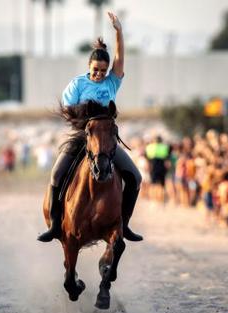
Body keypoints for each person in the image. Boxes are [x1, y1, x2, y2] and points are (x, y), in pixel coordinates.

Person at [37, 12, 143, 243]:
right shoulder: (77, 84)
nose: (99, 74)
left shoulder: (112, 81)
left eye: (103, 71)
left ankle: (124, 224)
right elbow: (69, 110)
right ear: (89, 65)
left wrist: (119, 32)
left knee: (135, 177)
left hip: (106, 139)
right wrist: (87, 116)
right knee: (56, 175)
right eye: (96, 69)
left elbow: (120, 57)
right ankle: (55, 225)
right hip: (82, 136)